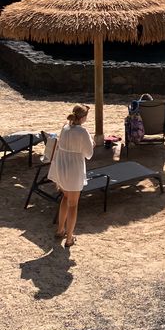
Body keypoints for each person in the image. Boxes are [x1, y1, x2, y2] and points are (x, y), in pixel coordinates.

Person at [48, 104, 94, 248]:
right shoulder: (82, 131)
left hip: (62, 166)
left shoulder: (65, 127)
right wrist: (91, 143)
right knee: (73, 205)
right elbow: (89, 154)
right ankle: (69, 238)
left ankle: (60, 229)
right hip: (74, 168)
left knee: (65, 197)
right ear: (83, 117)